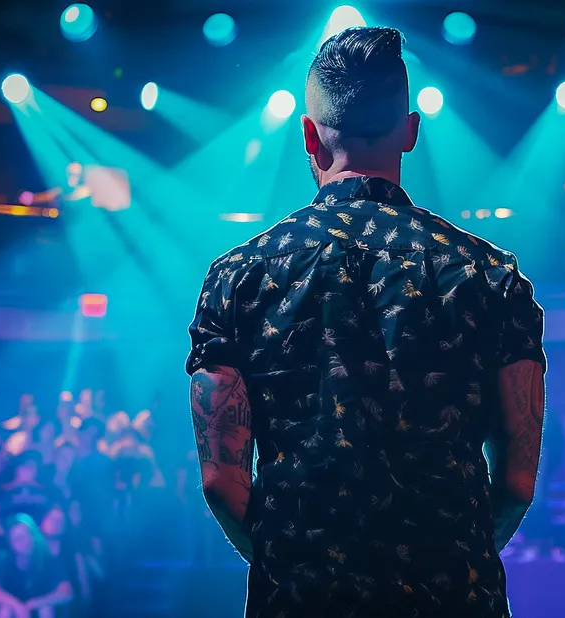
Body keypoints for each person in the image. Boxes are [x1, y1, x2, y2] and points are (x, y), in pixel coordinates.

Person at [185, 27, 546, 617]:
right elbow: (516, 483)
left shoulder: (238, 279)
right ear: (411, 130)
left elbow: (221, 481)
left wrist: (296, 563)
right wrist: (456, 559)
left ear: (309, 135)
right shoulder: (490, 277)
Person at [0, 515, 73, 618]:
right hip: (13, 613)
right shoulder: (3, 561)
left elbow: (66, 592)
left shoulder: (48, 560)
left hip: (40, 612)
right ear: (10, 543)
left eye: (27, 535)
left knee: (45, 609)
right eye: (18, 538)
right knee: (5, 609)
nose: (25, 542)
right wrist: (17, 606)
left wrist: (35, 603)